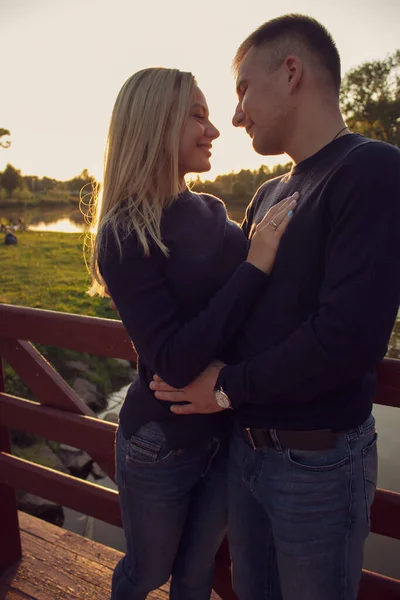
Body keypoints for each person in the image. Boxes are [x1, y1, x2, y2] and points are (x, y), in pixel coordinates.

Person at [150, 15, 400, 600]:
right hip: (245, 455)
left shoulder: (373, 170)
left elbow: (347, 339)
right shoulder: (269, 193)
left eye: (241, 89)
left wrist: (226, 387)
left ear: (291, 72)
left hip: (317, 466)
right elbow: (235, 305)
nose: (235, 116)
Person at [88, 67, 297, 599]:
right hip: (161, 441)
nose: (215, 130)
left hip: (227, 431)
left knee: (198, 572)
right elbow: (173, 363)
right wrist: (255, 264)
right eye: (198, 115)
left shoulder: (211, 211)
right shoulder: (124, 231)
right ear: (155, 123)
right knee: (147, 572)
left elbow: (248, 313)